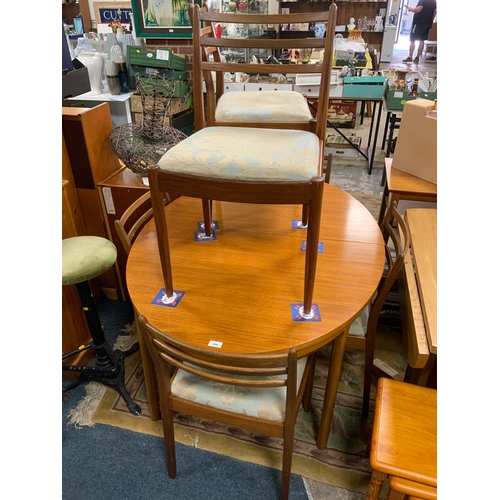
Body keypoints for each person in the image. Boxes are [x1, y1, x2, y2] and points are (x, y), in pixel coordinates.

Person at [403, 0, 437, 64]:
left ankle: (410, 57)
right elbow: (435, 12)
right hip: (428, 23)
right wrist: (431, 21)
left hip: (419, 23)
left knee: (412, 40)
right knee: (422, 40)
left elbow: (418, 9)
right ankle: (417, 58)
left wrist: (411, 9)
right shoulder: (433, 1)